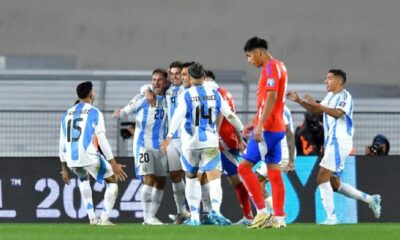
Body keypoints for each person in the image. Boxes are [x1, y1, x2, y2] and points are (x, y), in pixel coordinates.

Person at [287, 69, 381, 225]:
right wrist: (299, 101)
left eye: (329, 78)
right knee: (334, 184)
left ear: (339, 82)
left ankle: (331, 218)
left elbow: (338, 113)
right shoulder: (330, 96)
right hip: (332, 142)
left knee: (321, 177)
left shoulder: (345, 96)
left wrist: (318, 105)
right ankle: (371, 199)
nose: (326, 81)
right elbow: (317, 110)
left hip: (339, 141)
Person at [161, 63, 244, 226]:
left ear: (190, 78)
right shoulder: (215, 94)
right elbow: (230, 115)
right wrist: (242, 130)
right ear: (204, 77)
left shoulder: (186, 94)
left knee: (191, 178)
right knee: (214, 179)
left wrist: (169, 136)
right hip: (211, 144)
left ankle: (194, 217)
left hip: (190, 145)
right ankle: (217, 212)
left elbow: (177, 116)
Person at [59, 81, 127, 226]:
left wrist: (64, 168)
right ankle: (104, 219)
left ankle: (92, 218)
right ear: (91, 94)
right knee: (112, 180)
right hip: (89, 155)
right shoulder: (95, 112)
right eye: (93, 91)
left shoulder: (66, 114)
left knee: (83, 179)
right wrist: (113, 163)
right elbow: (101, 138)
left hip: (71, 159)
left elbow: (62, 143)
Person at [238, 36, 288, 229]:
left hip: (268, 129)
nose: (249, 60)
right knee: (274, 173)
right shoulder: (279, 66)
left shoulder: (271, 67)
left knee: (243, 168)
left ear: (258, 52)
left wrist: (260, 126)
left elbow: (272, 96)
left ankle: (261, 213)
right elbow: (266, 102)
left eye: (249, 56)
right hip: (275, 128)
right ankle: (279, 218)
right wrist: (253, 122)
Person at [113, 68, 169, 225]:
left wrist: (146, 89)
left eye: (159, 80)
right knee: (148, 177)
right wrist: (120, 112)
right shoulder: (142, 98)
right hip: (143, 145)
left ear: (165, 82)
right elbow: (126, 111)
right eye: (153, 80)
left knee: (161, 181)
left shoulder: (169, 98)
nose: (156, 83)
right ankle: (146, 216)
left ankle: (151, 216)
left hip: (161, 146)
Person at [141, 61, 191, 224]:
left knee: (193, 175)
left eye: (179, 73)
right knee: (176, 175)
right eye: (173, 74)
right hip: (171, 140)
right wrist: (147, 90)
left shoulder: (189, 88)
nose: (175, 76)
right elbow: (146, 86)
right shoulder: (168, 89)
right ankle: (181, 212)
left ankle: (203, 212)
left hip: (188, 138)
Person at [204, 70, 254, 225]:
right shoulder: (224, 92)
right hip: (227, 139)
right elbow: (231, 114)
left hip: (222, 141)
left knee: (236, 179)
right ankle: (249, 215)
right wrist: (238, 138)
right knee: (228, 178)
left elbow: (225, 115)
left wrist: (219, 136)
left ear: (204, 78)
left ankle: (256, 213)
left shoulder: (213, 92)